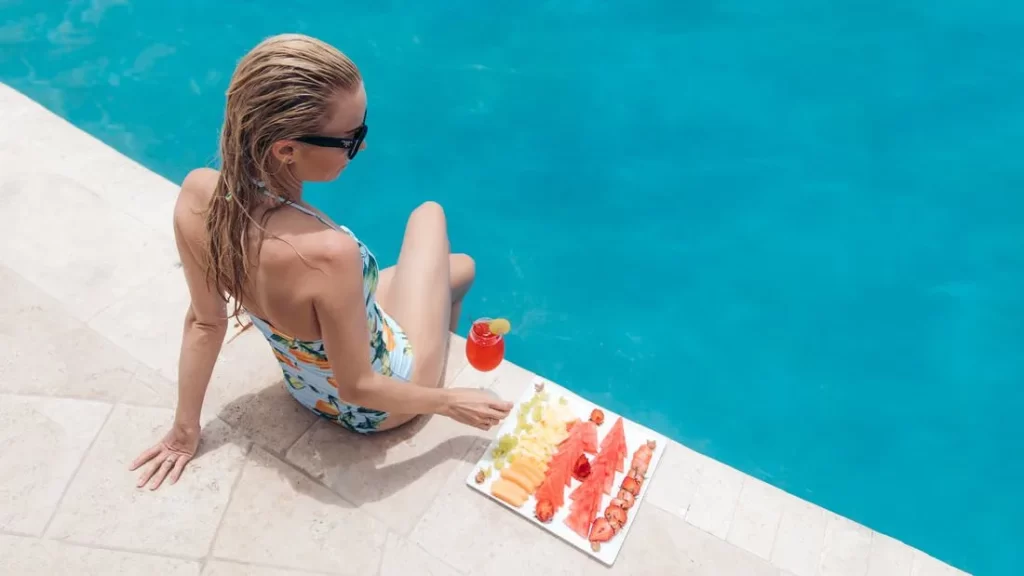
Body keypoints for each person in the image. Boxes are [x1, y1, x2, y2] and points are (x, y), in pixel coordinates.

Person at [130, 34, 513, 490]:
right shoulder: (328, 254)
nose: (362, 148)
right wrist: (448, 401)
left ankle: (437, 336)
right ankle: (436, 369)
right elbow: (358, 386)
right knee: (430, 217)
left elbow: (204, 323)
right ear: (286, 150)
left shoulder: (198, 196)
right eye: (351, 139)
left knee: (458, 268)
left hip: (307, 390)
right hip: (376, 403)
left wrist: (183, 433)